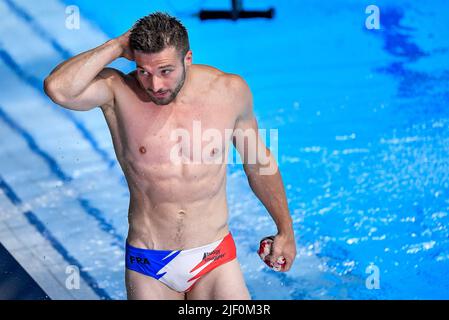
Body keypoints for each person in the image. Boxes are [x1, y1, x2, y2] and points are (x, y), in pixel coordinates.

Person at [43, 12, 296, 300]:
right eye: (143, 71)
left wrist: (285, 230)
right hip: (149, 262)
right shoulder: (118, 92)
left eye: (165, 71)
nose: (155, 85)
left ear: (187, 58)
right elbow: (58, 89)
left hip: (214, 257)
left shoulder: (229, 91)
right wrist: (115, 46)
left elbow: (258, 165)